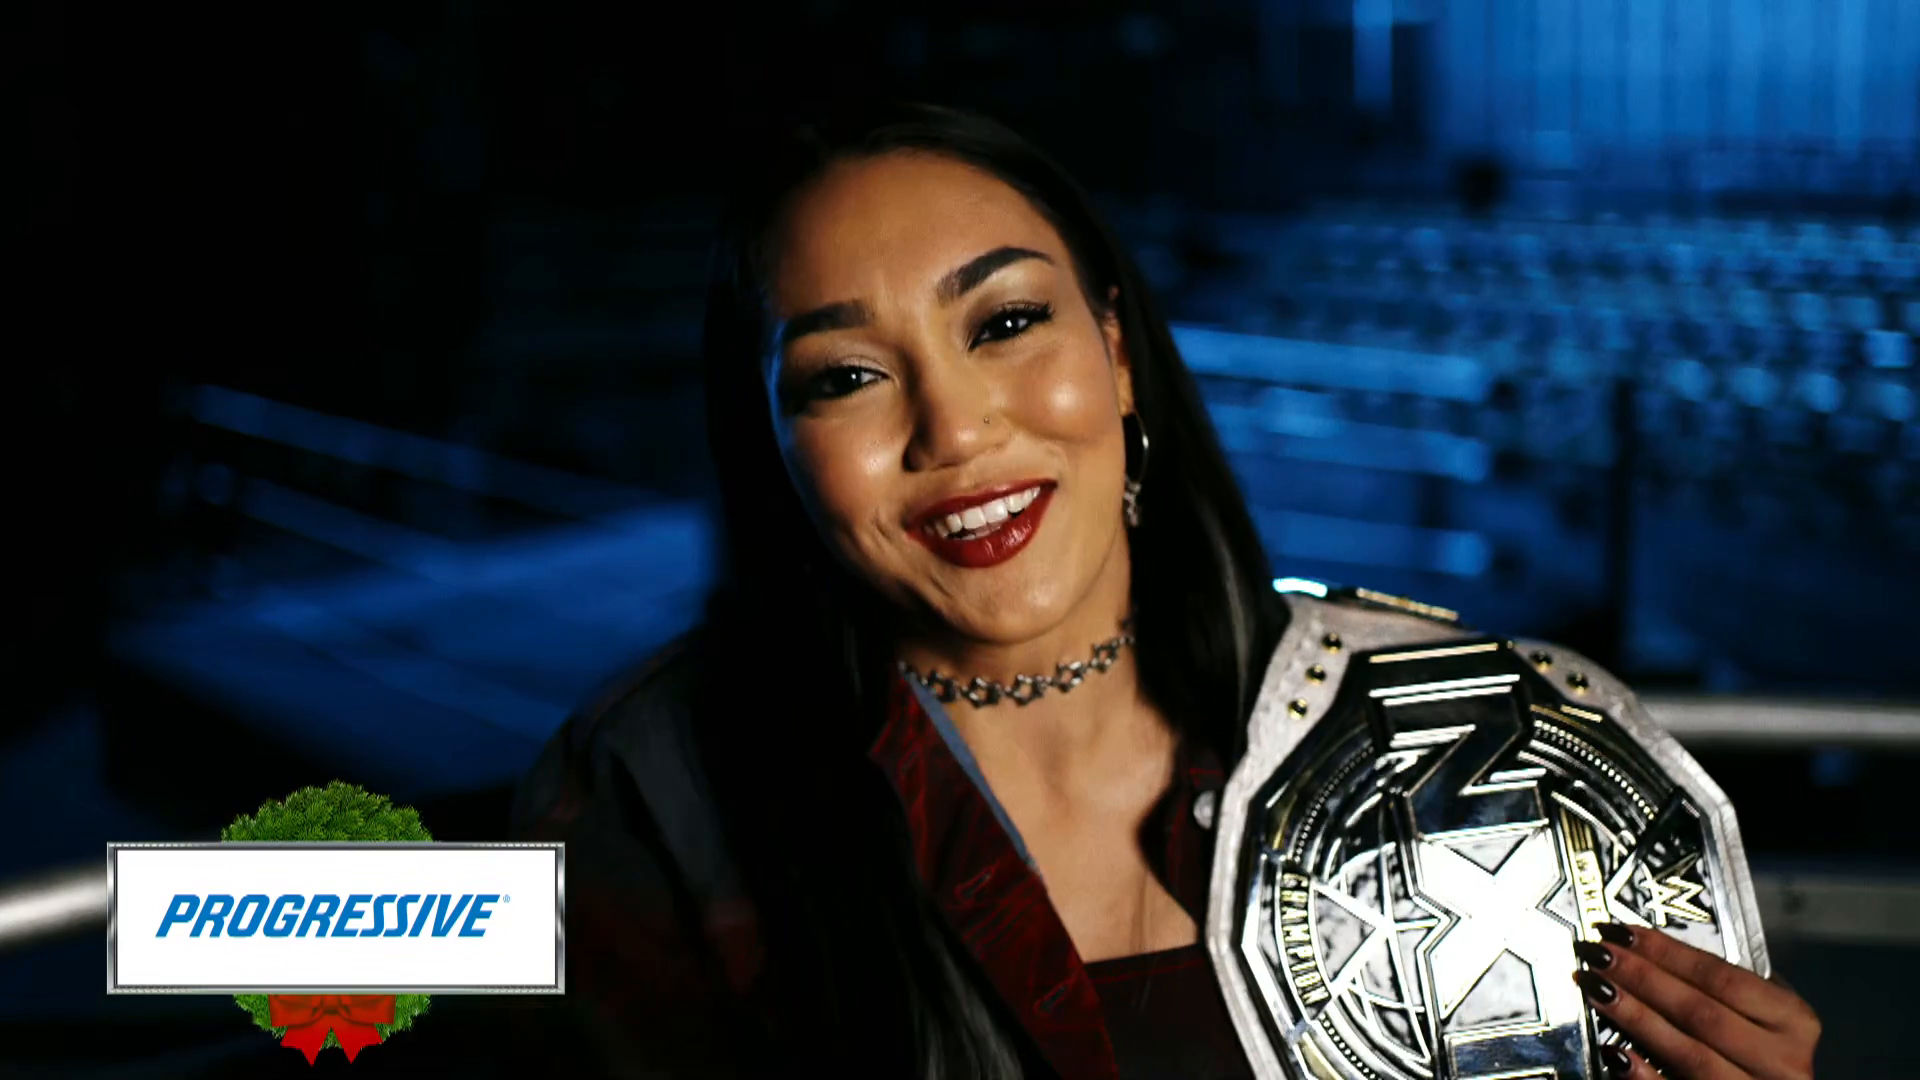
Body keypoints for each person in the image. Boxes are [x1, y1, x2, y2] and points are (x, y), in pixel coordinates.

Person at [508, 102, 1821, 1079]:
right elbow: (389, 986)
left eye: (1006, 322)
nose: (955, 429)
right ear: (773, 451)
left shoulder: (1465, 735)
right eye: (845, 378)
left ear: (1118, 352)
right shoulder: (643, 789)